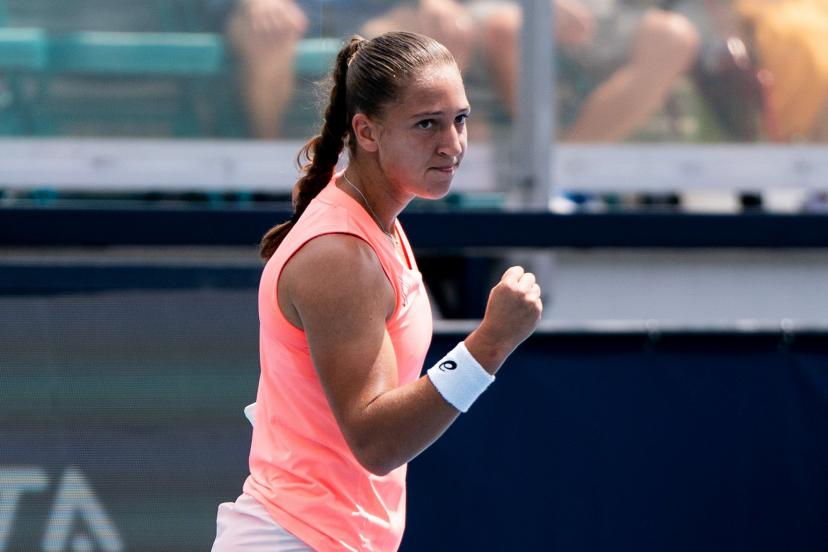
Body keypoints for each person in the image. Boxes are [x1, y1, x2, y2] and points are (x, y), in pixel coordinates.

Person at [211, 31, 543, 551]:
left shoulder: (379, 224)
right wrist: (490, 344)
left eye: (460, 119)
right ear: (366, 132)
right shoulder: (341, 256)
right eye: (426, 124)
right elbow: (376, 441)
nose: (452, 144)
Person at [477, 0, 701, 141]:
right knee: (510, 30)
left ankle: (569, 161)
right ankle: (545, 167)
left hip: (606, 13)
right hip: (503, 9)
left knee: (671, 38)